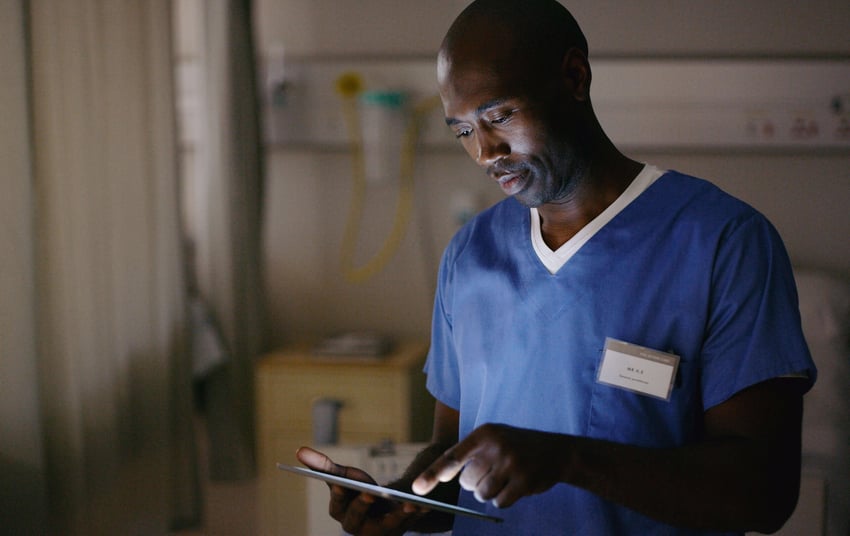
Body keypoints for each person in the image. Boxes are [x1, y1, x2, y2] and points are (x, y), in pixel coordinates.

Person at [297, 1, 817, 534]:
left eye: (499, 117)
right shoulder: (470, 256)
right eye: (463, 132)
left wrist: (567, 460)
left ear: (574, 77)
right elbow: (453, 455)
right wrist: (405, 503)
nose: (485, 152)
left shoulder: (722, 243)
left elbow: (765, 491)